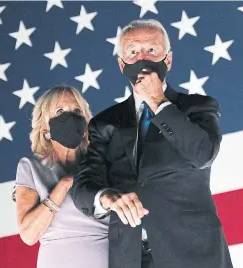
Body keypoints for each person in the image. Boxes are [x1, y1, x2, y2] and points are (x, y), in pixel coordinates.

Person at [70, 19, 233, 268]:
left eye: (152, 50)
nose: (143, 58)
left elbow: (203, 154)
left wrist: (158, 100)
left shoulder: (199, 107)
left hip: (193, 253)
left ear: (167, 60)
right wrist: (108, 198)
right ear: (122, 64)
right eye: (134, 52)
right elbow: (83, 186)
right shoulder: (104, 123)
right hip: (131, 256)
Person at [14, 86, 109, 268]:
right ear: (44, 128)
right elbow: (29, 235)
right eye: (59, 111)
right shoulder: (30, 167)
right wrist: (64, 185)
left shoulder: (104, 163)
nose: (70, 117)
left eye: (76, 111)